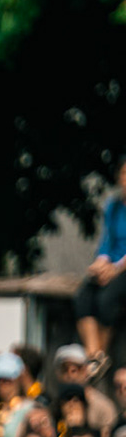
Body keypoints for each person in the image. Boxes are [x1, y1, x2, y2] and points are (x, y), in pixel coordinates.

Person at [76, 158, 126, 375]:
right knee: (84, 295)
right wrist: (101, 262)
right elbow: (106, 241)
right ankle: (93, 355)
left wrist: (115, 268)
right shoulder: (113, 206)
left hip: (122, 268)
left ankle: (101, 355)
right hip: (111, 265)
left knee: (107, 299)